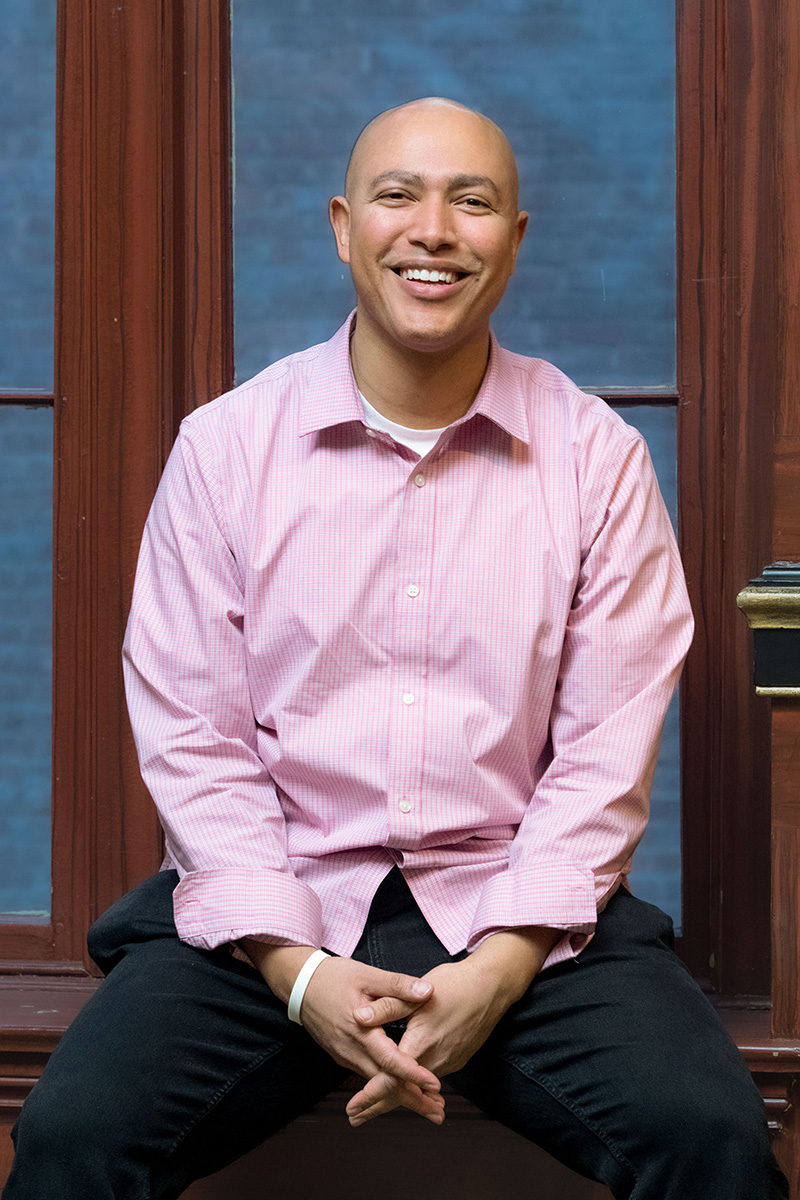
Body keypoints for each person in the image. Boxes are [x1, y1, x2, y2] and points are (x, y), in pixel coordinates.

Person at [3, 97, 788, 1199]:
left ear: (512, 239)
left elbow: (604, 752)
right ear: (339, 224)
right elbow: (195, 738)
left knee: (708, 1138)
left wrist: (502, 967)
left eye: (470, 202)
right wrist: (297, 971)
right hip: (280, 903)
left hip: (515, 903)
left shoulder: (594, 458)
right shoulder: (226, 450)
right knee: (73, 1139)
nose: (432, 230)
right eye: (396, 196)